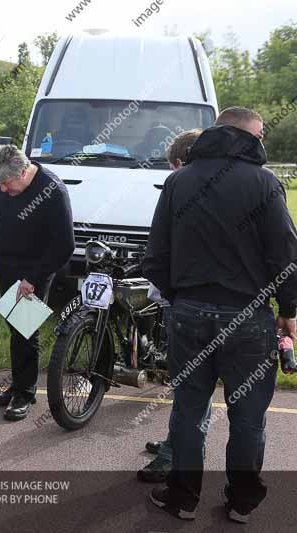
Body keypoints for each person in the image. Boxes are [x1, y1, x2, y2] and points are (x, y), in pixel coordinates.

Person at [143, 107, 297, 523]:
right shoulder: (264, 183)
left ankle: (182, 497)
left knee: (189, 410)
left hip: (189, 313)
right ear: (245, 135)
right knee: (248, 418)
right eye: (260, 134)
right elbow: (285, 254)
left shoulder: (179, 181)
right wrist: (288, 310)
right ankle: (242, 500)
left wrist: (181, 296)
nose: (263, 141)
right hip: (248, 317)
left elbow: (155, 257)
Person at [0, 144, 74, 421]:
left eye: (6, 184)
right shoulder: (5, 184)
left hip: (33, 269)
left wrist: (33, 279)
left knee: (26, 330)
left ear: (23, 173)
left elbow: (64, 245)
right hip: (6, 264)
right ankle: (17, 386)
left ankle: (24, 393)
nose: (1, 190)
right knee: (15, 329)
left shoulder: (53, 191)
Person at [137, 129, 205, 483]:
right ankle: (174, 444)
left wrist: (171, 295)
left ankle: (175, 459)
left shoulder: (181, 190)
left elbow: (160, 250)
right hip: (195, 302)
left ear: (179, 163)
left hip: (189, 305)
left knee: (192, 389)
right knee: (187, 388)